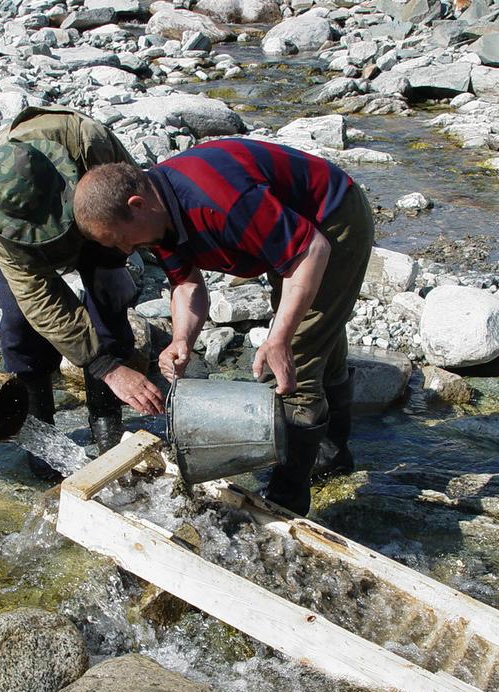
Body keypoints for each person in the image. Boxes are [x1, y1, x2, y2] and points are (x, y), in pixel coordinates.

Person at [72, 138, 373, 514]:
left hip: (331, 221)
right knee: (313, 333)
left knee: (289, 362)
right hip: (294, 234)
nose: (124, 251)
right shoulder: (157, 217)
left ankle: (285, 503)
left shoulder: (220, 199)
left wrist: (277, 338)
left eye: (119, 239)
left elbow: (311, 250)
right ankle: (334, 455)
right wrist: (181, 338)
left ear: (137, 205)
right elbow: (187, 284)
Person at [0, 106, 164, 479]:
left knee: (110, 306)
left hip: (96, 223)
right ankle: (44, 444)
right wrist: (102, 366)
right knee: (20, 332)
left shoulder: (87, 143)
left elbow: (143, 206)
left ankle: (107, 427)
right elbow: (40, 300)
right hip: (25, 253)